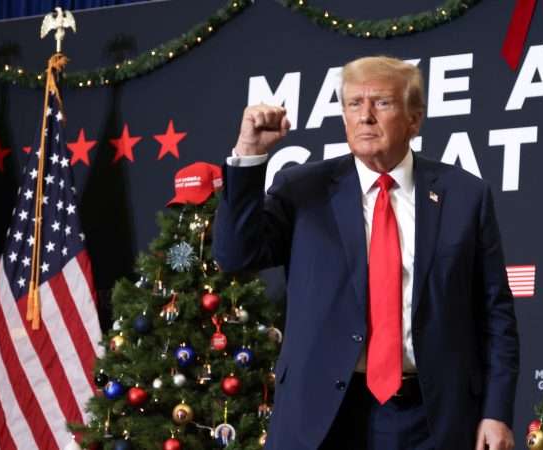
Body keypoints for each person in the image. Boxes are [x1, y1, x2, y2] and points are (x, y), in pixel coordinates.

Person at [214, 55, 519, 450]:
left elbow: (495, 314)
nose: (365, 117)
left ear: (415, 119)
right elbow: (235, 255)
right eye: (354, 104)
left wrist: (496, 412)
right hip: (324, 417)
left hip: (431, 417)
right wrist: (248, 154)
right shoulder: (302, 189)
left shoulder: (465, 196)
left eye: (382, 103)